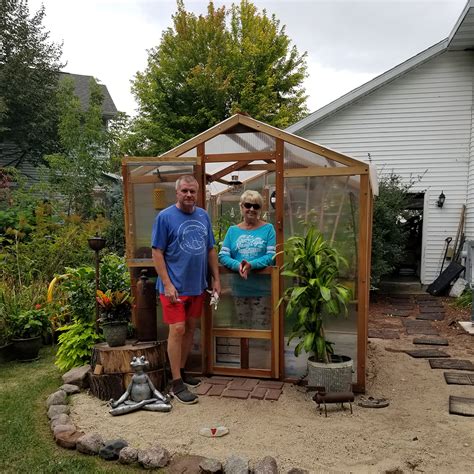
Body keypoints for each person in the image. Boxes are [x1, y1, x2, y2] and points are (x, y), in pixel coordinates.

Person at [151, 175, 220, 404]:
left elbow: (210, 249)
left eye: (193, 191)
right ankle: (176, 383)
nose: (189, 195)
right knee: (178, 330)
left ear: (197, 193)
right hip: (174, 288)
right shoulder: (165, 217)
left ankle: (180, 371)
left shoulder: (203, 216)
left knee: (191, 328)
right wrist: (168, 284)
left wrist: (215, 279)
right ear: (177, 193)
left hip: (197, 285)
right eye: (185, 191)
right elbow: (157, 252)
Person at [218, 190, 276, 329]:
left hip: (262, 290)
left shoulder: (268, 229)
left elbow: (271, 257)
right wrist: (238, 265)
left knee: (261, 329)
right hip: (239, 289)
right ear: (241, 207)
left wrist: (251, 265)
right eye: (248, 205)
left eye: (256, 206)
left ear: (260, 209)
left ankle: (261, 352)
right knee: (242, 329)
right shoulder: (233, 231)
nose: (251, 209)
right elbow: (223, 255)